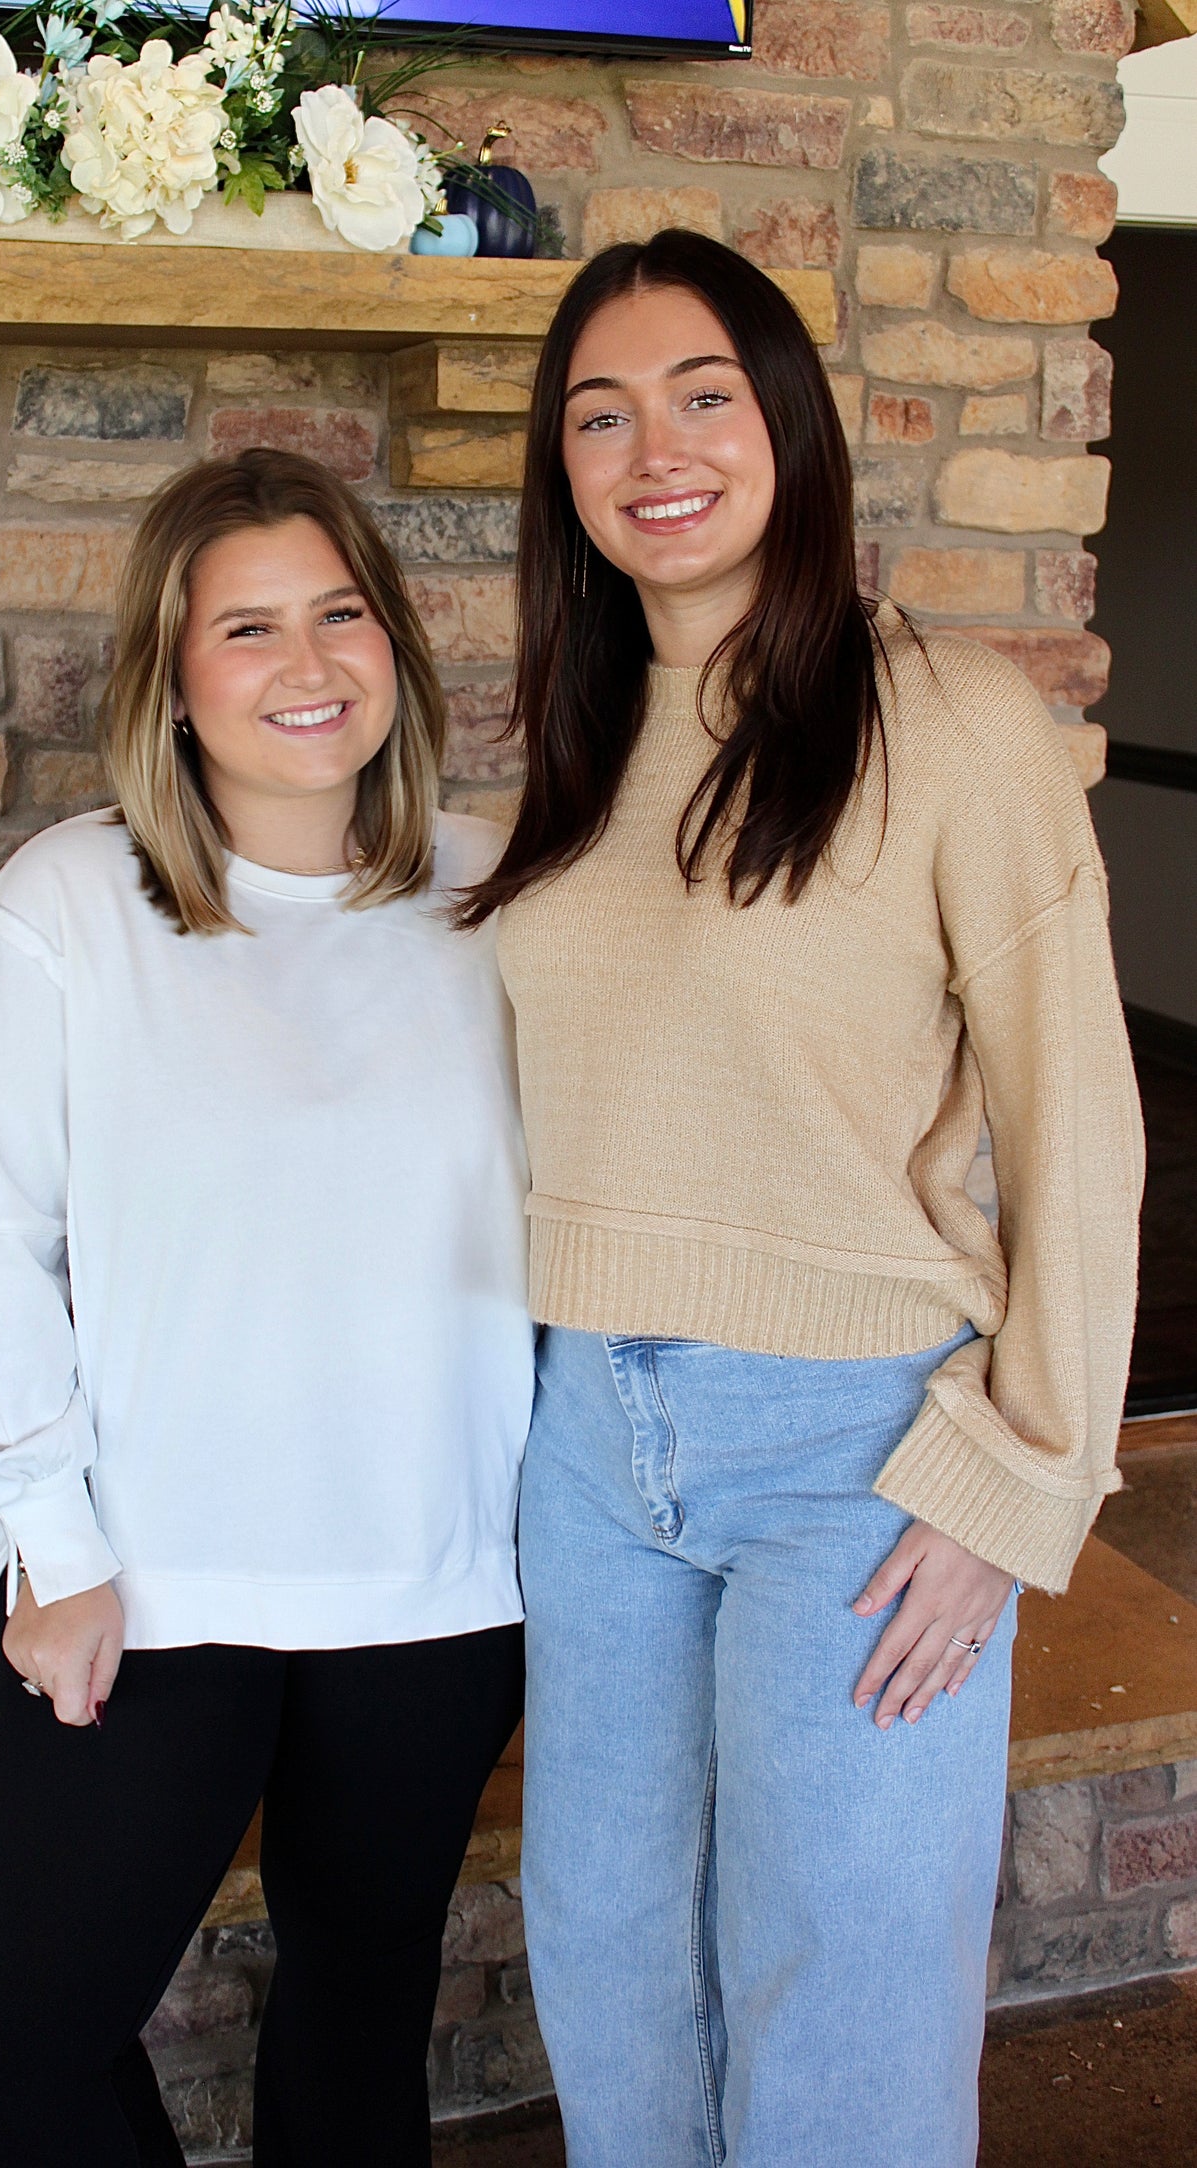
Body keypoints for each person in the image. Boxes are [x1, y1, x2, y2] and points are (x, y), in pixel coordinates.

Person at [457, 231, 1144, 2168]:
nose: (649, 448)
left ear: (791, 428)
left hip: (850, 1442)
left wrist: (1024, 1470)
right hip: (590, 1438)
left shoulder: (954, 724)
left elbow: (1079, 1124)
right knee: (602, 1947)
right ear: (561, 471)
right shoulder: (576, 738)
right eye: (598, 414)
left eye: (702, 396)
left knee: (835, 1974)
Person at [0, 449, 532, 2168]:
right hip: (150, 1580)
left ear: (395, 644)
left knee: (359, 1996)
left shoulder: (504, 898)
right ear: (172, 686)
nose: (305, 663)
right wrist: (45, 1534)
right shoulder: (63, 911)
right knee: (20, 2018)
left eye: (340, 614)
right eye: (245, 628)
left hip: (434, 1576)